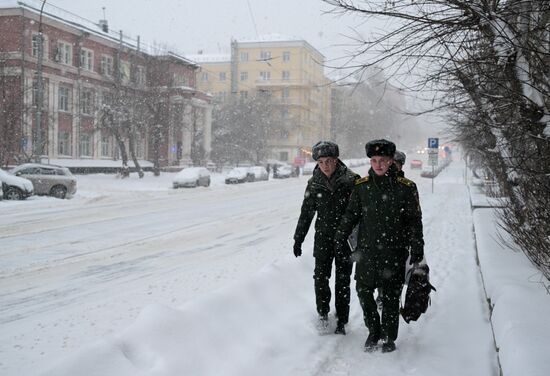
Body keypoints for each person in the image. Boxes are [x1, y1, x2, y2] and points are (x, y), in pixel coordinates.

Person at [335, 139, 424, 352]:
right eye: (374, 160)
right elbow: (351, 215)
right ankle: (374, 331)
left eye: (382, 160)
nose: (378, 165)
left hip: (394, 252)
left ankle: (389, 337)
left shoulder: (406, 188)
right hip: (367, 252)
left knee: (391, 297)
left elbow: (414, 220)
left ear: (391, 161)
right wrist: (340, 235)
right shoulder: (362, 187)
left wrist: (417, 247)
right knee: (364, 291)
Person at [293, 141, 360, 335]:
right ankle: (323, 314)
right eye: (321, 162)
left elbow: (359, 213)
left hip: (345, 240)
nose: (325, 166)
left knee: (342, 280)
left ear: (336, 160)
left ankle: (341, 319)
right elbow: (306, 213)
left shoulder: (351, 180)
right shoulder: (314, 183)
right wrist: (298, 239)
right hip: (322, 238)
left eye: (328, 161)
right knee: (321, 278)